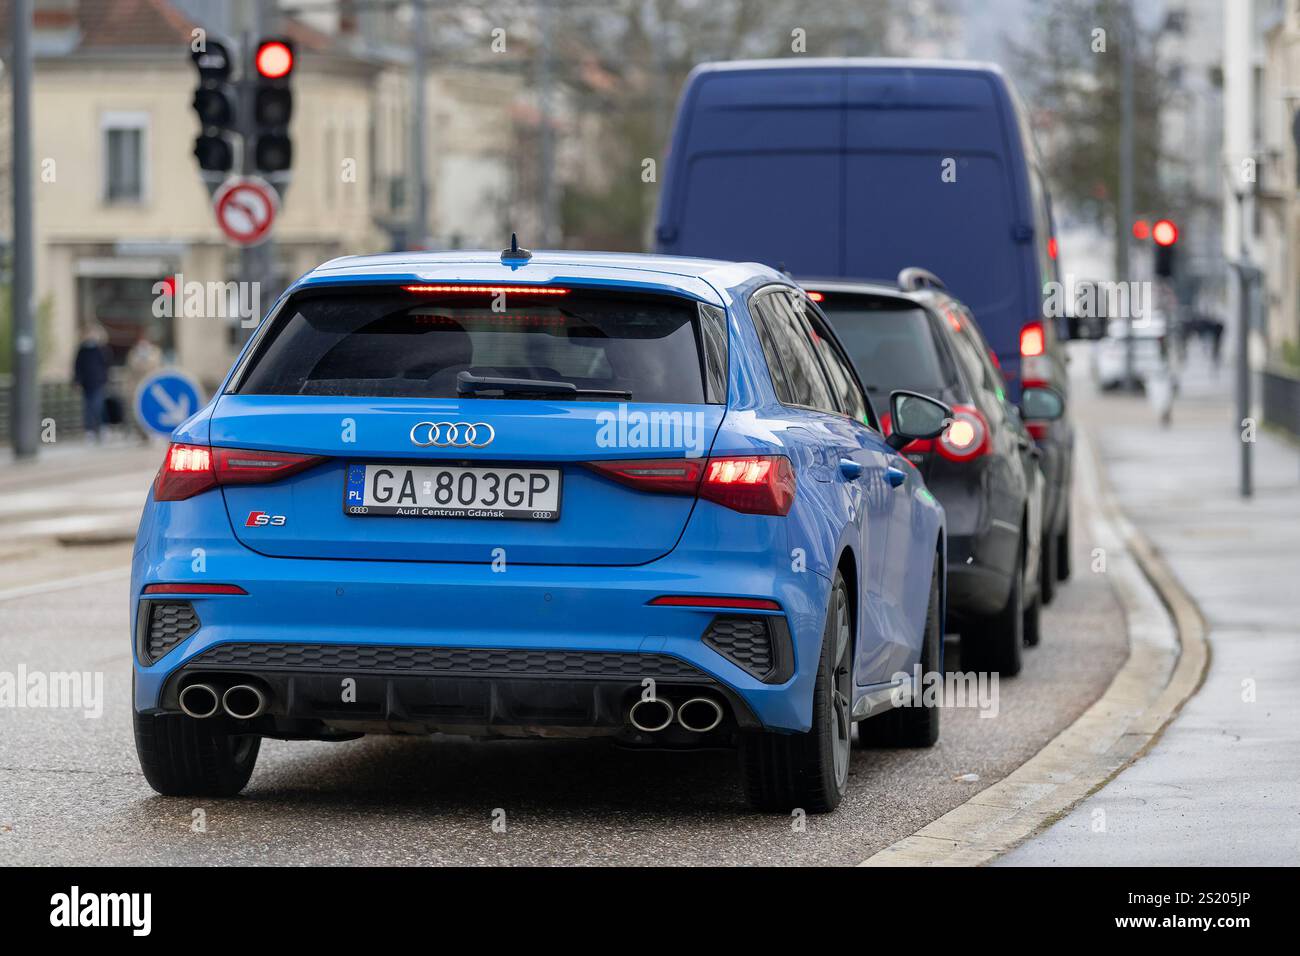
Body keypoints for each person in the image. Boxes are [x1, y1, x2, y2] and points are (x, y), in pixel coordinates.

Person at [72, 323, 112, 442]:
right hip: (87, 383)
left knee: (98, 405)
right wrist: (77, 381)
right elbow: (77, 367)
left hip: (98, 382)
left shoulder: (101, 349)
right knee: (88, 406)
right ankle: (90, 430)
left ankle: (102, 427)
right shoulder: (82, 350)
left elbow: (106, 365)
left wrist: (105, 378)